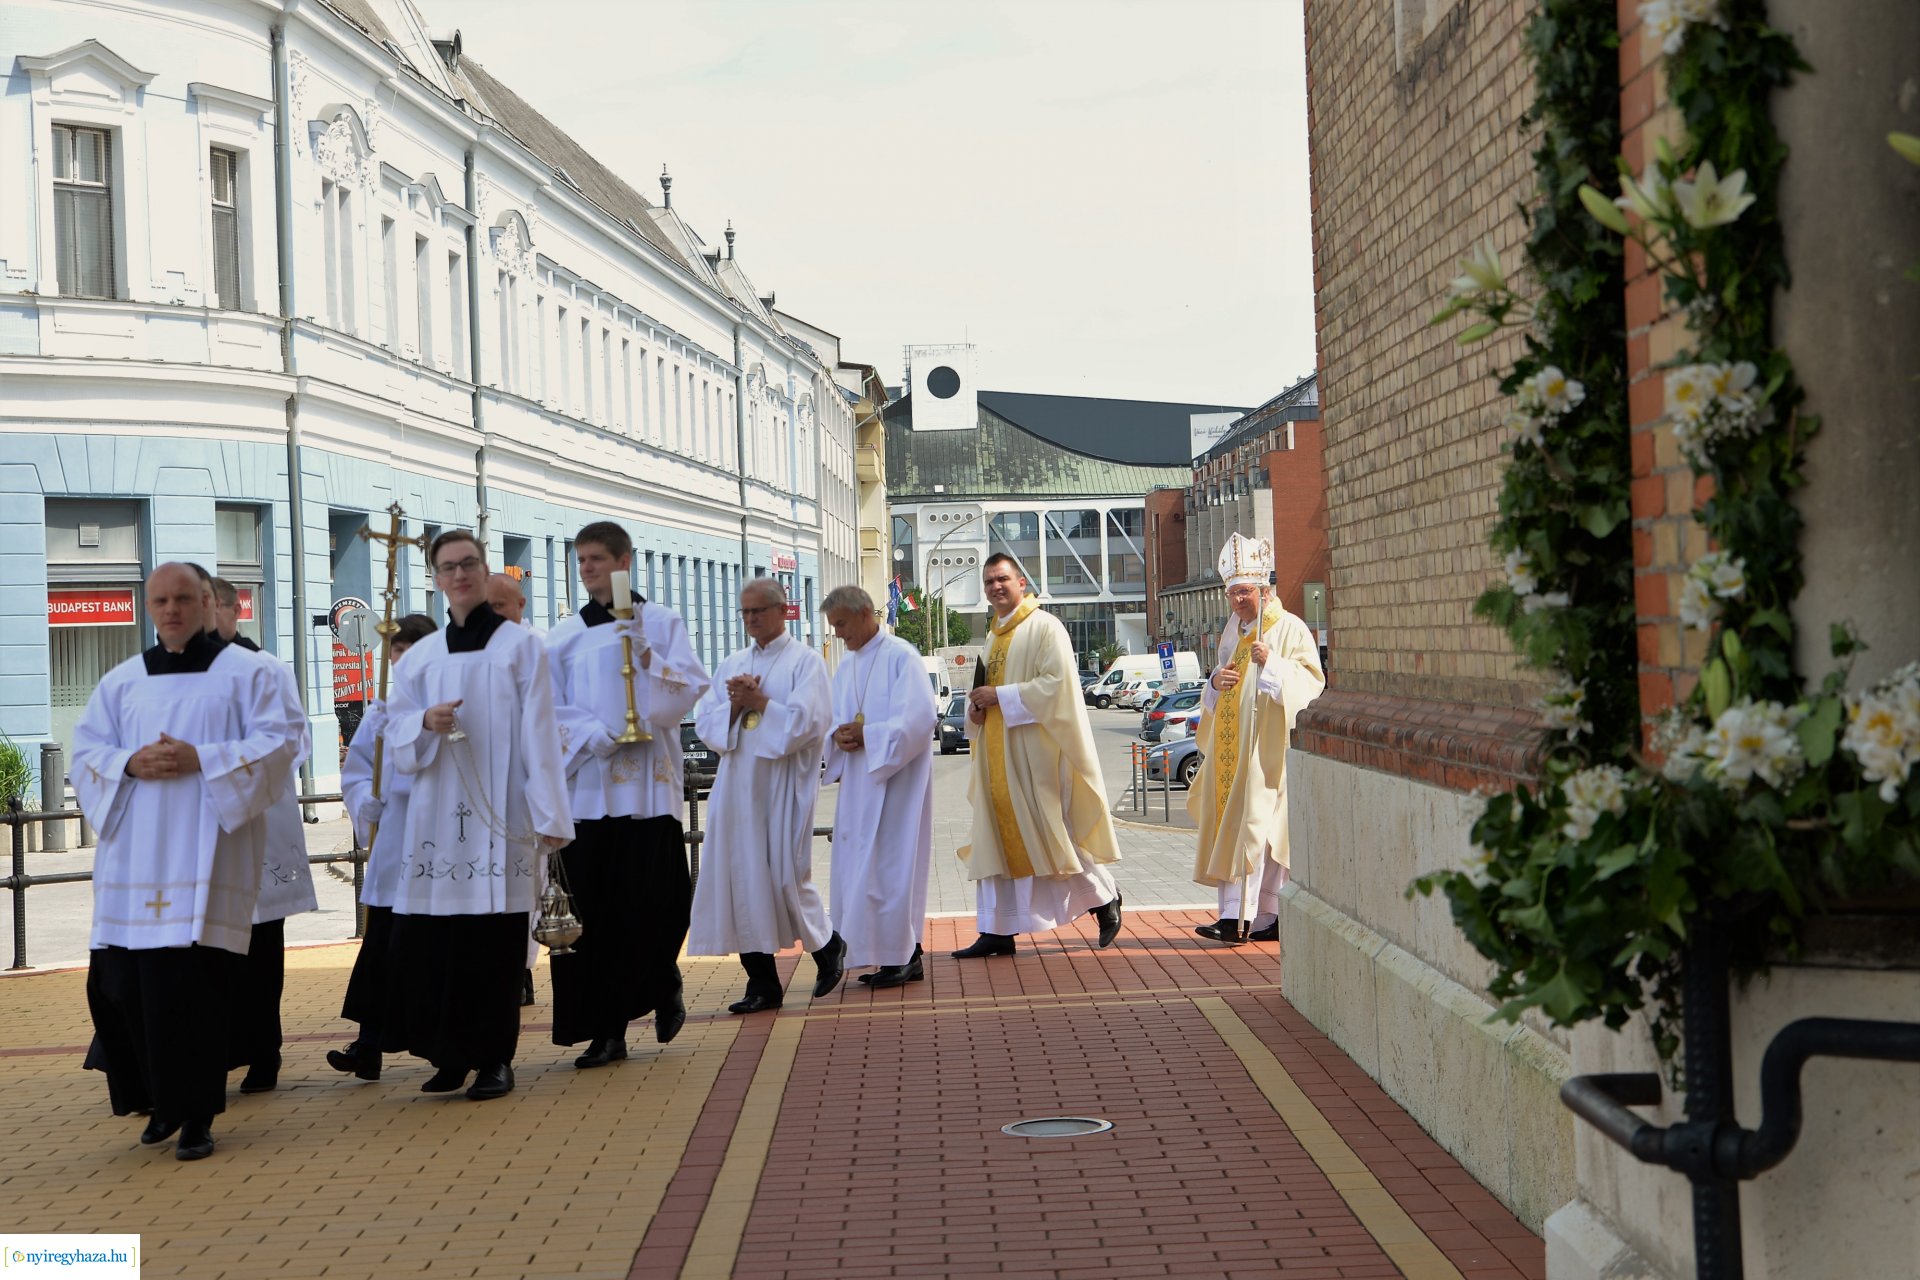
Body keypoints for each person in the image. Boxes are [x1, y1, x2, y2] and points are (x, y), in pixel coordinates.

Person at [72, 563, 303, 1160]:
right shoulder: (122, 682)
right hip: (135, 858)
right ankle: (158, 1102)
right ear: (148, 607)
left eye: (183, 598)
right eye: (159, 600)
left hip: (209, 853)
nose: (171, 610)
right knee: (130, 988)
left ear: (206, 601)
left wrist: (207, 758)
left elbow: (282, 743)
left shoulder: (250, 674)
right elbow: (86, 751)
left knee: (196, 990)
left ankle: (196, 1114)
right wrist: (127, 764)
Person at [382, 530, 574, 1101]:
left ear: (485, 569)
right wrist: (423, 723)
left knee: (493, 944)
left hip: (502, 812)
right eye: (449, 567)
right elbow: (393, 727)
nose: (460, 574)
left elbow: (541, 733)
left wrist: (549, 815)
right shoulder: (420, 656)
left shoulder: (520, 647)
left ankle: (494, 1058)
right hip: (438, 814)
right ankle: (450, 1055)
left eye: (469, 564)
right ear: (437, 579)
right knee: (439, 943)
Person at [546, 522, 709, 1066]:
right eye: (582, 559)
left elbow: (685, 690)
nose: (588, 568)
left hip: (648, 785)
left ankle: (663, 982)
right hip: (589, 790)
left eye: (597, 559)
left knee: (659, 905)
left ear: (624, 561)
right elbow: (548, 706)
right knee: (595, 915)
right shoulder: (565, 635)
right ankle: (605, 1030)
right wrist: (594, 736)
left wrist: (646, 657)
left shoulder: (660, 622)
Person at [954, 554, 1123, 958]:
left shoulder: (1046, 628)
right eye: (989, 582)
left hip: (1037, 754)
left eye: (1003, 579)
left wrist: (1002, 696)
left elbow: (1059, 686)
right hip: (997, 757)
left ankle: (1104, 899)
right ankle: (996, 929)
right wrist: (976, 710)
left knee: (1052, 833)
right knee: (993, 838)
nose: (996, 587)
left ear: (1022, 583)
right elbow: (982, 691)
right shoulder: (991, 637)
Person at [688, 577, 844, 1012]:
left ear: (783, 610)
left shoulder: (805, 663)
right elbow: (705, 722)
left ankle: (828, 947)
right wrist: (736, 707)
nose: (752, 619)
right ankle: (761, 984)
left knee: (785, 878)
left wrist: (760, 703)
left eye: (760, 611)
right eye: (746, 612)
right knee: (740, 880)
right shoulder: (734, 661)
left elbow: (809, 725)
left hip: (781, 789)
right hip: (736, 787)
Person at [206, 572, 315, 1094]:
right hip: (200, 832)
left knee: (261, 950)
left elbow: (296, 741)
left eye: (207, 606)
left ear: (231, 610)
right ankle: (213, 1054)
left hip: (258, 826)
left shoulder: (267, 668)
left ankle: (263, 1053)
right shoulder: (178, 671)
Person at [1189, 534, 1326, 943]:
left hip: (1266, 752)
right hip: (1232, 748)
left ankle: (1246, 918)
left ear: (1265, 590)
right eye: (1231, 594)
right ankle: (1250, 917)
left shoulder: (1290, 629)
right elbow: (1218, 680)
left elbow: (1312, 685)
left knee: (1255, 831)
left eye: (1244, 592)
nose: (1237, 602)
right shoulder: (1233, 630)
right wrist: (1215, 681)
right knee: (1237, 829)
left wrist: (1274, 666)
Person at [330, 613, 438, 1081]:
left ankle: (437, 1041)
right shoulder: (381, 710)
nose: (401, 658)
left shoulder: (446, 706)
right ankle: (368, 1043)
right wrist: (363, 802)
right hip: (394, 841)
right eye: (395, 651)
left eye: (410, 649)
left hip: (434, 843)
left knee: (426, 951)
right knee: (381, 948)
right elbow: (356, 769)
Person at [819, 586, 938, 987]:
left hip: (897, 785)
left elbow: (921, 720)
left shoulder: (902, 657)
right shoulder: (847, 665)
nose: (837, 634)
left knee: (894, 868)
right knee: (862, 872)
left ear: (866, 613)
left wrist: (872, 735)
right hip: (858, 785)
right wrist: (837, 737)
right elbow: (833, 718)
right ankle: (883, 955)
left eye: (841, 624)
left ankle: (906, 955)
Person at [483, 571, 541, 1006]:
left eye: (500, 606)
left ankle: (521, 969)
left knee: (526, 886)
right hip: (478, 791)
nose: (493, 615)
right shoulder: (468, 650)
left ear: (520, 606)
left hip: (525, 792)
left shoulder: (539, 649)